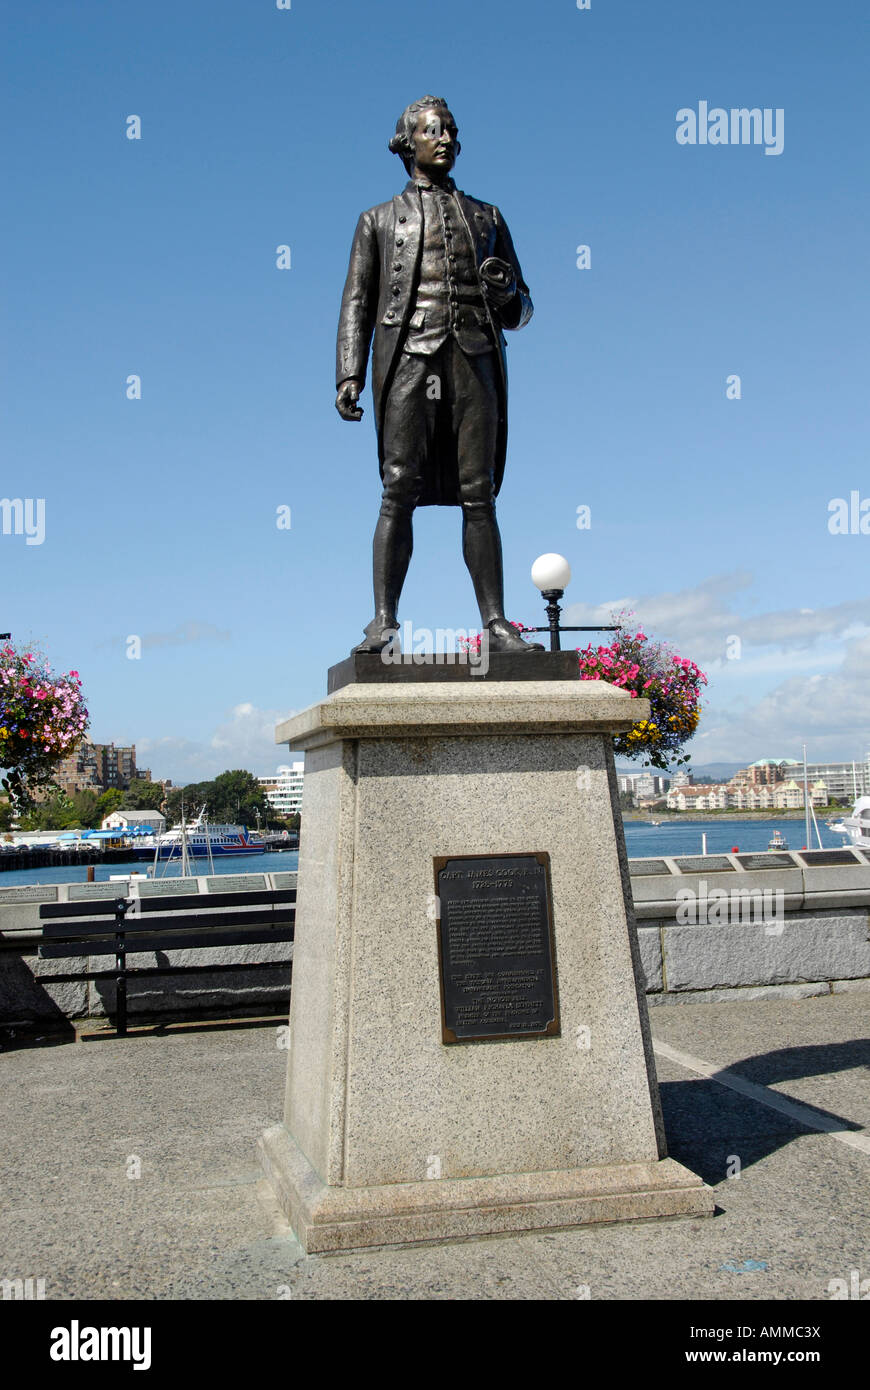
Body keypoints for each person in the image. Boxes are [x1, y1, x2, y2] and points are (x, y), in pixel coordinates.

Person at [335, 95, 543, 656]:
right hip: (410, 357)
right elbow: (357, 301)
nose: (445, 139)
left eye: (451, 129)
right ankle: (383, 622)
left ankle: (496, 624)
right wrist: (347, 374)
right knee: (397, 487)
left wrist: (504, 292)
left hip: (474, 355)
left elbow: (521, 310)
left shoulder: (489, 217)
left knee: (480, 493)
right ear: (408, 143)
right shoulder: (377, 220)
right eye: (433, 131)